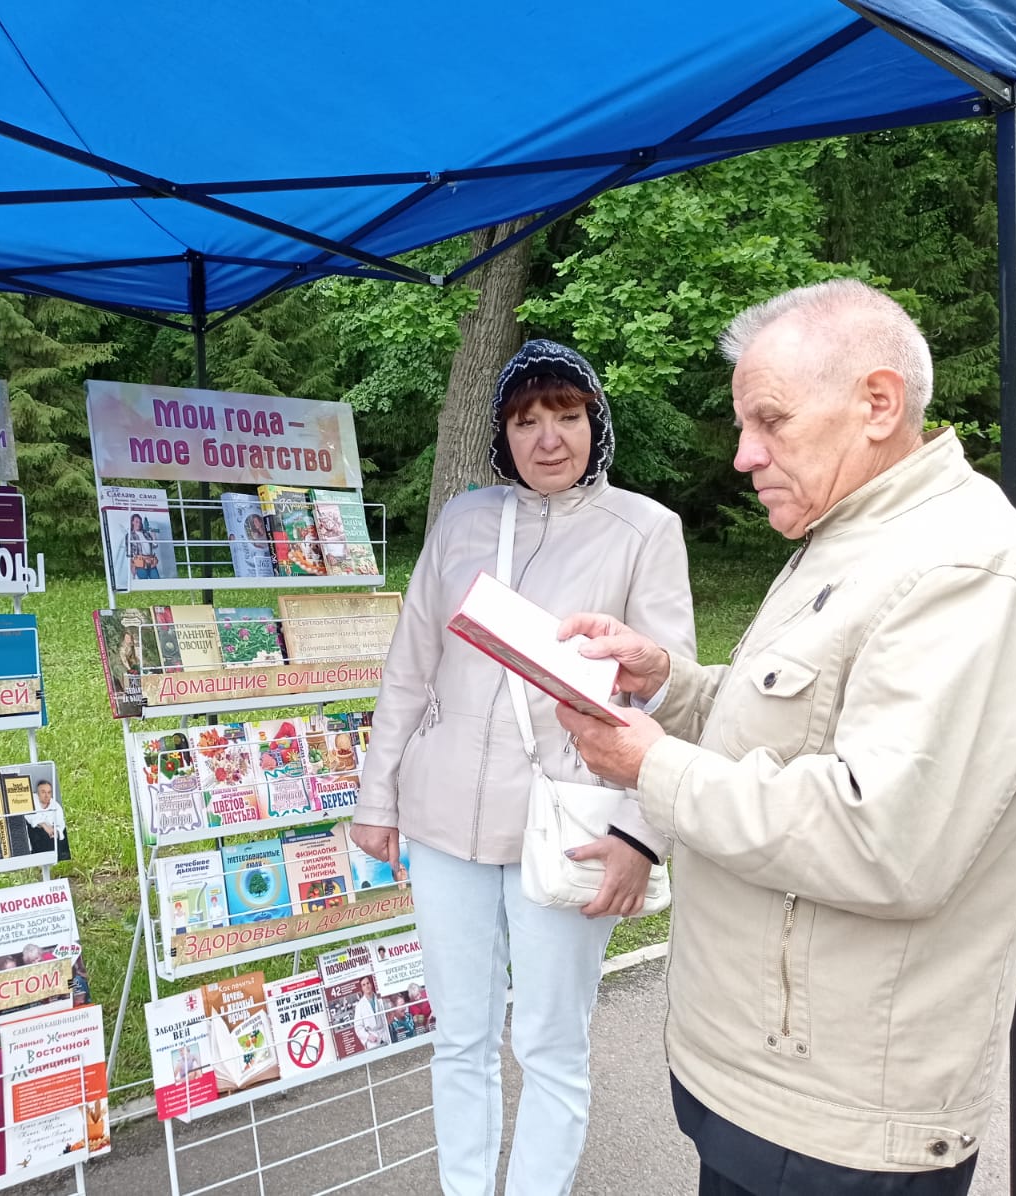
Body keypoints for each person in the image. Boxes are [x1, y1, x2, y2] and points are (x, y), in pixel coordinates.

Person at [555, 280, 1016, 1196]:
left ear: (877, 404)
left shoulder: (970, 565)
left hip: (841, 1121)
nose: (743, 455)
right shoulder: (854, 534)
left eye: (770, 420)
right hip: (763, 1083)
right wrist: (670, 683)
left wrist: (651, 765)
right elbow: (800, 721)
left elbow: (884, 837)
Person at [353, 340, 696, 1196]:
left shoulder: (645, 530)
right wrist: (377, 796)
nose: (549, 438)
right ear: (502, 434)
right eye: (526, 419)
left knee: (549, 1042)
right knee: (459, 1035)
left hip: (571, 826)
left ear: (596, 422)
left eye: (568, 415)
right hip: (441, 822)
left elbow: (671, 695)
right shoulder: (463, 521)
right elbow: (410, 664)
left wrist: (639, 835)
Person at [127, 512, 161, 580]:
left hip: (151, 561)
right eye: (136, 522)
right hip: (140, 562)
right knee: (143, 583)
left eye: (139, 522)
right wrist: (132, 566)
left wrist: (154, 537)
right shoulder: (129, 536)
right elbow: (129, 553)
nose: (138, 524)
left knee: (157, 581)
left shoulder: (146, 533)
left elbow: (155, 546)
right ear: (132, 522)